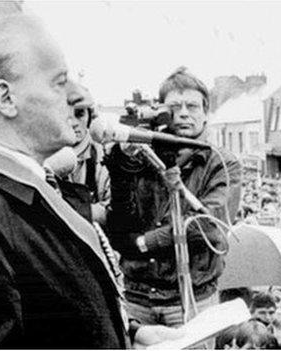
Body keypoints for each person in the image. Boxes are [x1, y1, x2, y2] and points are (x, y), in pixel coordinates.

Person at [0, 13, 178, 349]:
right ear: (6, 99)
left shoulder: (27, 186)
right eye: (59, 81)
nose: (75, 95)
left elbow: (55, 311)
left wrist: (130, 334)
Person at [104, 67, 242, 329]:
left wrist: (145, 242)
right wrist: (119, 166)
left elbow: (210, 226)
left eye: (192, 106)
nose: (183, 114)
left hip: (190, 299)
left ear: (205, 113)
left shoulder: (221, 162)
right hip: (138, 297)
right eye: (174, 106)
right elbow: (121, 223)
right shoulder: (141, 153)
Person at [65, 82, 111, 223]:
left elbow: (112, 212)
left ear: (90, 117)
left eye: (79, 114)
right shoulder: (42, 156)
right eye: (65, 115)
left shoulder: (103, 155)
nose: (73, 123)